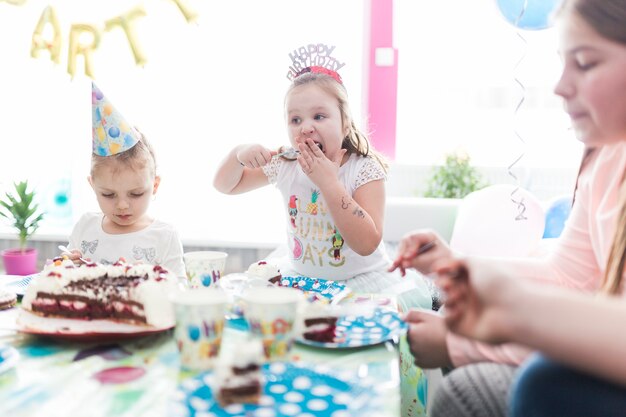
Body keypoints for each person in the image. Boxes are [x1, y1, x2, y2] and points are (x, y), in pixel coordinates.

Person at [391, 0, 626, 415]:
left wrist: (459, 344)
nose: (559, 87)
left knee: (484, 390)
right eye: (562, 63)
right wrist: (454, 264)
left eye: (586, 63)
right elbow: (568, 274)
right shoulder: (603, 154)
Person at [213, 53, 431, 309]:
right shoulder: (286, 164)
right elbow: (225, 185)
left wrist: (329, 183)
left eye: (318, 116)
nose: (305, 127)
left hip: (359, 281)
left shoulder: (363, 169)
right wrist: (238, 154)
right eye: (295, 119)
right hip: (303, 280)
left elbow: (366, 244)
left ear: (345, 124)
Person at [65, 83, 185, 278]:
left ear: (154, 186)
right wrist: (65, 265)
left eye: (136, 194)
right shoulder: (85, 227)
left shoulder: (164, 236)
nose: (122, 205)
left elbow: (178, 290)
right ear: (93, 186)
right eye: (108, 194)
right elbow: (64, 276)